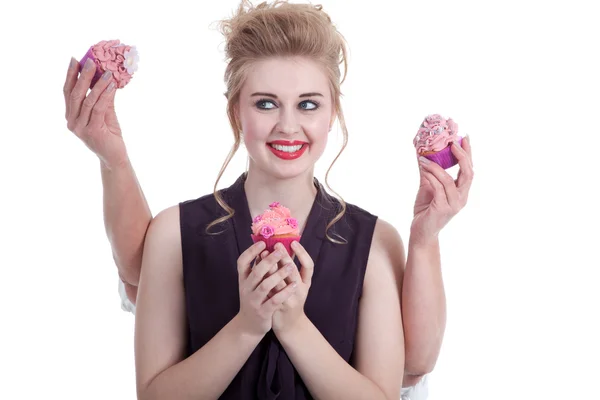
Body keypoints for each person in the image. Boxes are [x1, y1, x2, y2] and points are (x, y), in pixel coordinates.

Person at [63, 1, 473, 398]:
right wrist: (247, 325)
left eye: (308, 104)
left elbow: (395, 384)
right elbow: (153, 395)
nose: (288, 126)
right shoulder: (174, 232)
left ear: (332, 115)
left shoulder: (374, 241)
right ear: (237, 112)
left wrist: (293, 326)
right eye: (265, 103)